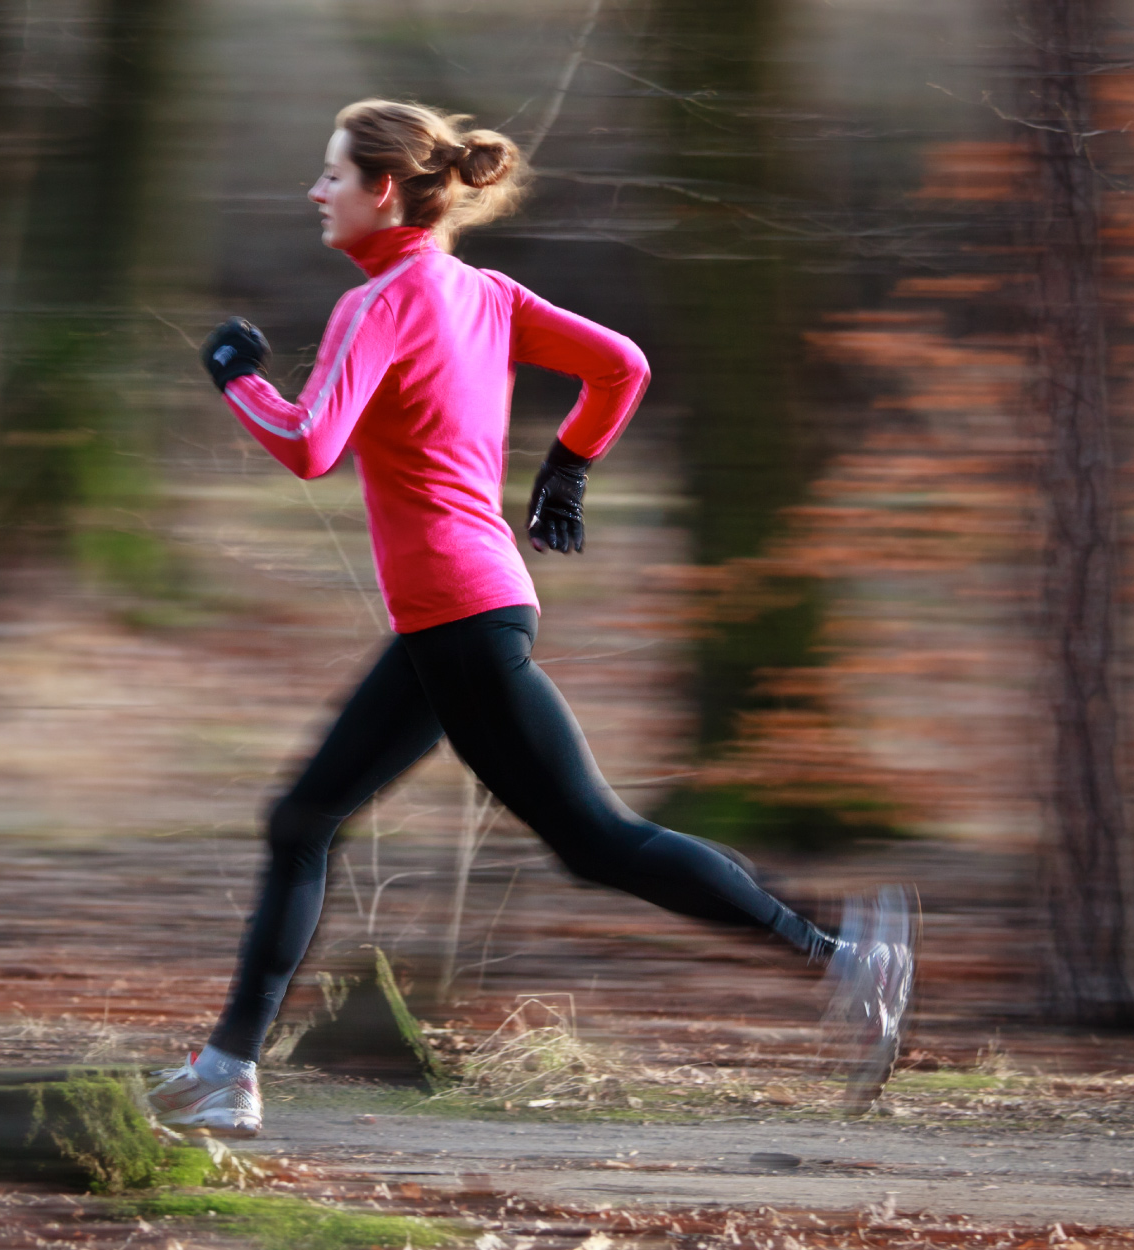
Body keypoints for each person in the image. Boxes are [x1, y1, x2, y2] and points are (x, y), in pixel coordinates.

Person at [147, 99, 916, 1138]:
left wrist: (237, 379)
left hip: (459, 617)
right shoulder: (486, 293)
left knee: (595, 836)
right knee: (308, 819)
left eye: (331, 174)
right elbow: (622, 366)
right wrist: (569, 468)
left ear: (383, 190)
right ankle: (226, 1067)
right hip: (465, 612)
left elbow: (308, 444)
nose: (314, 191)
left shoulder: (375, 305)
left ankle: (840, 953)